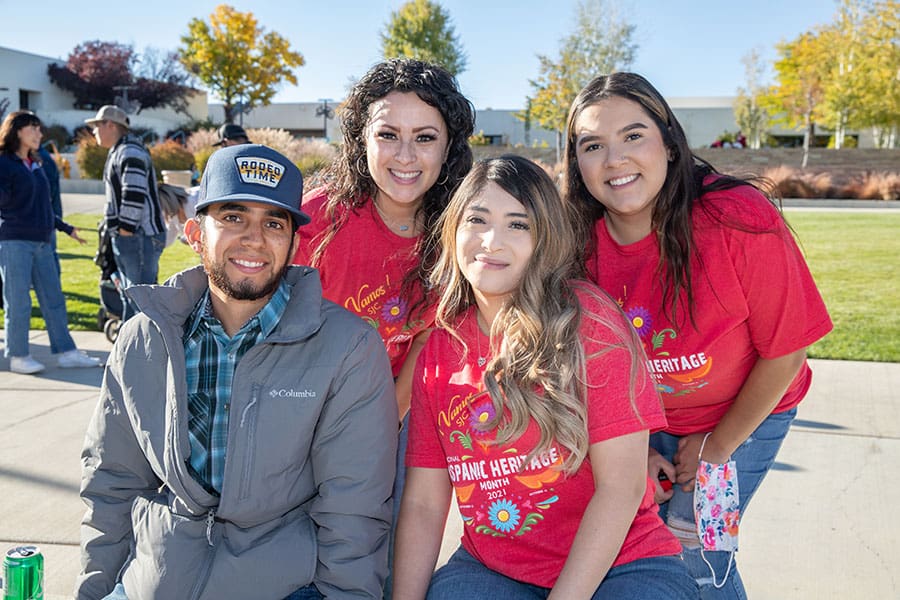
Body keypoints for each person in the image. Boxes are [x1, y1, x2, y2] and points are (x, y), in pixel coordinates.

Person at [75, 144, 398, 600]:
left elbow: (355, 510)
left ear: (294, 243)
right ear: (193, 232)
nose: (254, 238)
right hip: (155, 581)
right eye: (232, 217)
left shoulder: (347, 348)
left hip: (285, 586)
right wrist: (94, 592)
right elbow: (111, 483)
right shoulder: (144, 339)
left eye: (273, 223)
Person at [563, 72, 833, 598]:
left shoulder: (736, 218)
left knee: (696, 556)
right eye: (593, 145)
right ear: (577, 162)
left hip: (745, 414)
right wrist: (633, 452)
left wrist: (717, 446)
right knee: (628, 549)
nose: (615, 159)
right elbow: (576, 362)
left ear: (668, 140)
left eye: (633, 135)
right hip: (633, 422)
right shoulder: (575, 241)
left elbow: (787, 350)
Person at [393, 155, 698, 599]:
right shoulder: (440, 351)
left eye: (518, 225)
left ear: (546, 240)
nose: (491, 241)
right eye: (477, 219)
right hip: (494, 568)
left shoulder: (590, 324)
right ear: (453, 229)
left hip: (622, 564)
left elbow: (622, 489)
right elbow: (423, 504)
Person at [289, 58, 474, 595]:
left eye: (425, 137)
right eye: (388, 135)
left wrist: (381, 418)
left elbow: (431, 337)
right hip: (304, 411)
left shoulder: (458, 232)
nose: (406, 156)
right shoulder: (317, 220)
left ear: (449, 146)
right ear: (359, 138)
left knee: (384, 562)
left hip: (398, 413)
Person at [0, 110, 101, 374]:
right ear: (17, 130)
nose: (39, 134)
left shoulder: (36, 164)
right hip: (15, 242)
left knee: (54, 299)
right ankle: (19, 356)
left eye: (39, 129)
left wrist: (66, 228)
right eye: (34, 128)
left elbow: (44, 206)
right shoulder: (4, 164)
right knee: (18, 301)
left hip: (43, 241)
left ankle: (66, 352)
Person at [86, 105, 166, 322]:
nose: (94, 132)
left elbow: (134, 193)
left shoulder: (129, 151)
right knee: (132, 298)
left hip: (138, 236)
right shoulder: (123, 150)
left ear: (110, 125)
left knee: (139, 301)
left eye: (96, 126)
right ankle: (133, 351)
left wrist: (125, 231)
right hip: (134, 237)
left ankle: (141, 353)